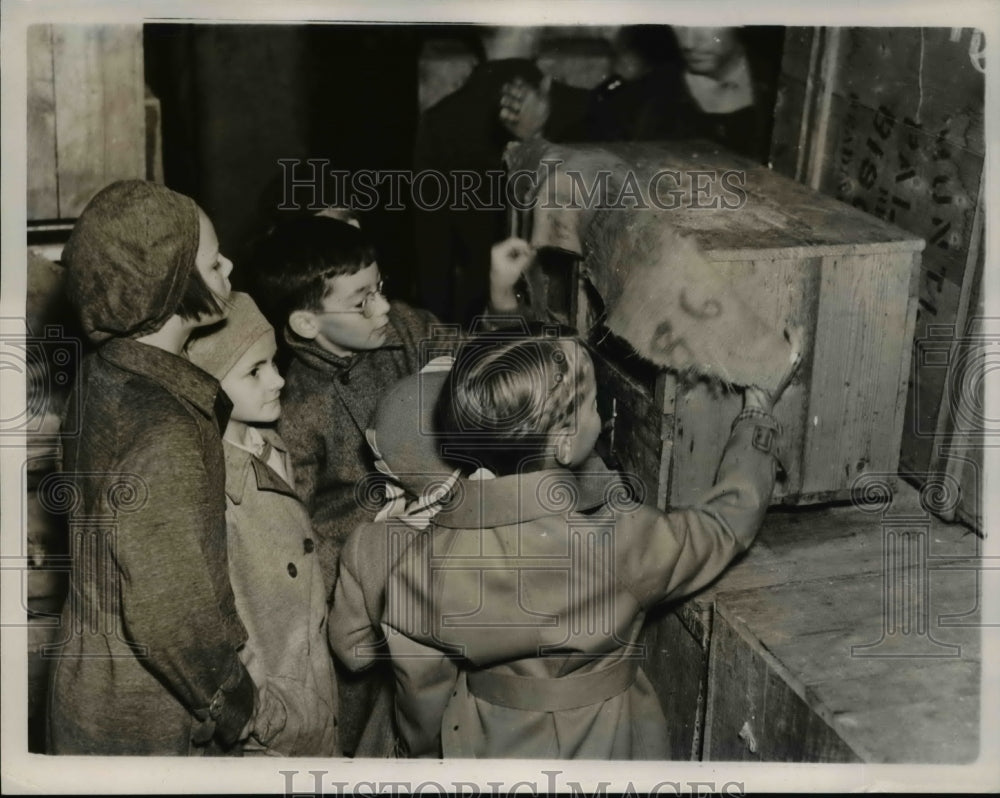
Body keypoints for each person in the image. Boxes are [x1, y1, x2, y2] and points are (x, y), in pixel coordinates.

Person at [329, 328, 801, 759]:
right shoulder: (622, 539)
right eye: (595, 406)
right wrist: (757, 416)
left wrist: (426, 748)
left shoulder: (421, 563)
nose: (602, 418)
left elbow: (423, 697)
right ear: (565, 445)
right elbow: (724, 524)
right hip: (611, 746)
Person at [247, 215, 533, 755]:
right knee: (369, 738)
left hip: (440, 557)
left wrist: (500, 297)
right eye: (361, 301)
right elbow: (295, 536)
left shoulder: (400, 327)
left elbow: (484, 363)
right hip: (357, 591)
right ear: (307, 324)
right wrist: (379, 527)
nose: (382, 306)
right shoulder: (297, 408)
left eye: (379, 288)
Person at [47, 180, 255, 755]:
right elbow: (170, 615)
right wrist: (236, 704)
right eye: (213, 262)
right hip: (151, 716)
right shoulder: (167, 430)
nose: (229, 264)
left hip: (87, 683)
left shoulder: (99, 375)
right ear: (170, 289)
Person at [186, 293, 339, 757]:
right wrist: (262, 716)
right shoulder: (207, 486)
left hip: (311, 697)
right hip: (266, 731)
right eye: (254, 371)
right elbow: (210, 622)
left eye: (273, 362)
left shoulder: (273, 446)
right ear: (206, 386)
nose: (277, 379)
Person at [500, 25, 781, 164]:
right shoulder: (643, 97)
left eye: (707, 21)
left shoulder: (790, 94)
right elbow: (578, 166)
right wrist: (533, 135)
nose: (689, 41)